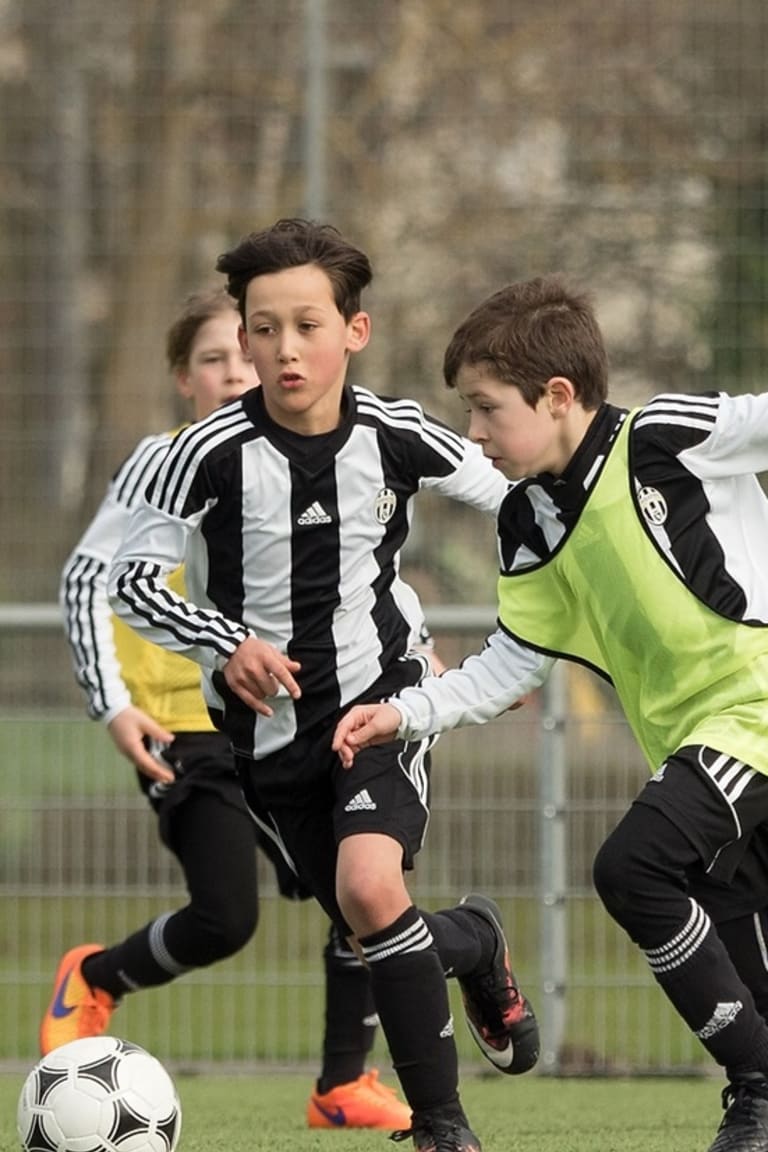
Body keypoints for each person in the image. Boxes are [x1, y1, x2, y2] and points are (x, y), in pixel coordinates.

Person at [107, 219, 540, 1152]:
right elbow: (131, 582)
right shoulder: (200, 452)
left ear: (355, 331)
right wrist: (226, 643)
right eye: (264, 330)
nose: (283, 349)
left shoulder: (398, 434)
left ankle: (442, 1128)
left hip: (379, 702)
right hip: (265, 737)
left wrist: (531, 639)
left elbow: (528, 502)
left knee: (369, 885)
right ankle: (473, 940)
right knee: (365, 917)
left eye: (307, 325)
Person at [333, 272, 768, 1152]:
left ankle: (757, 1093)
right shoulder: (529, 517)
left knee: (634, 867)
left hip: (754, 715)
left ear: (558, 395)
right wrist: (405, 713)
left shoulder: (666, 437)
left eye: (488, 409)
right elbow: (512, 660)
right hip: (694, 750)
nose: (475, 432)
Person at [49, 286, 415, 1131]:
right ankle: (99, 976)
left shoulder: (315, 454)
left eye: (239, 353)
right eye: (211, 358)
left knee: (363, 884)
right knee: (226, 916)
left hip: (294, 720)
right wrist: (113, 704)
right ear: (184, 378)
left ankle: (341, 1084)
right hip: (187, 729)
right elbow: (85, 580)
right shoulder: (163, 462)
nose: (233, 369)